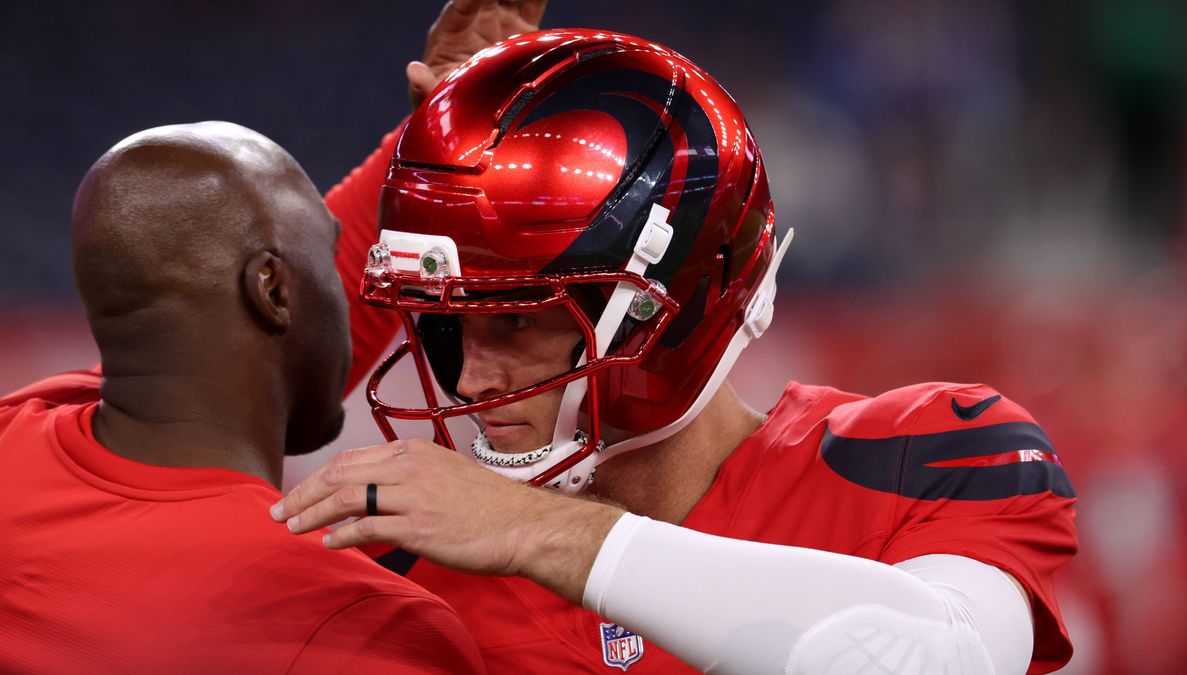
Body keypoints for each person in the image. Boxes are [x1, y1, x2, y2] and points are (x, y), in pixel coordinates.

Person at [278, 19, 1078, 675]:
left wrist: (541, 531)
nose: (469, 377)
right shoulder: (392, 564)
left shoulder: (924, 459)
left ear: (686, 302)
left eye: (517, 321)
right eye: (449, 327)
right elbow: (189, 400)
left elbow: (944, 657)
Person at [0, 122, 485, 673]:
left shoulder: (17, 428)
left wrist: (431, 132)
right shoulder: (355, 625)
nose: (350, 284)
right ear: (274, 290)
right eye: (329, 258)